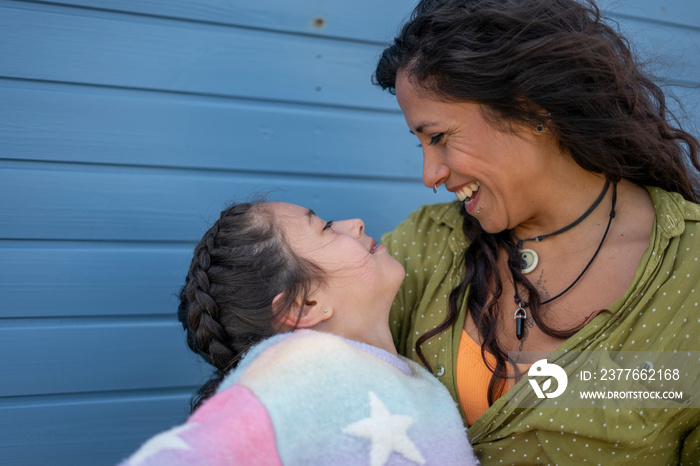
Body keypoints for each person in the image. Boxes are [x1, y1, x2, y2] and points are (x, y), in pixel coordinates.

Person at [373, 0, 700, 463]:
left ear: (531, 110)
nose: (429, 174)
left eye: (439, 137)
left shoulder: (689, 271)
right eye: (421, 142)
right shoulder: (419, 248)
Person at [119, 200, 478, 466]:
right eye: (326, 227)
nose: (354, 223)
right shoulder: (298, 373)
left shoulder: (408, 377)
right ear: (304, 306)